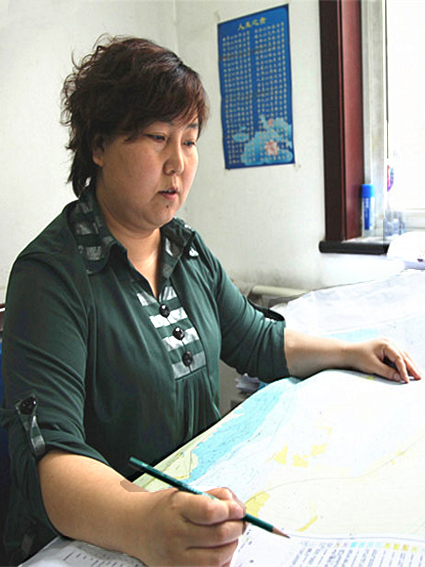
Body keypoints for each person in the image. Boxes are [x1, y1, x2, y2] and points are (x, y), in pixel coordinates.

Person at [0, 35, 421, 567]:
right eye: (158, 138)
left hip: (193, 505)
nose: (177, 163)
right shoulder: (50, 275)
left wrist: (350, 351)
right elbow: (50, 458)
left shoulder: (186, 249)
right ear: (99, 146)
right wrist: (145, 522)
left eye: (190, 140)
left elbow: (257, 340)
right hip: (104, 538)